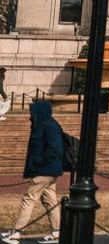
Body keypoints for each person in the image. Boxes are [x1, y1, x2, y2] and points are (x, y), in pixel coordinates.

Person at [1, 101, 62, 243]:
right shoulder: (44, 124)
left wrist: (38, 162)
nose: (31, 114)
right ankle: (57, 232)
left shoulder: (49, 125)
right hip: (47, 169)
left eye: (32, 111)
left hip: (44, 170)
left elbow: (55, 149)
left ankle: (16, 233)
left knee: (29, 199)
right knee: (50, 201)